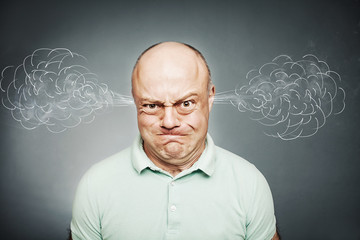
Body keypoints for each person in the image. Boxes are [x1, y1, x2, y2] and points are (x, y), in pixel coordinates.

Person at [70, 41, 280, 240]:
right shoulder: (95, 186)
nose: (169, 122)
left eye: (186, 103)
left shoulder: (249, 183)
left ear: (210, 98)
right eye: (152, 105)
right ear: (135, 102)